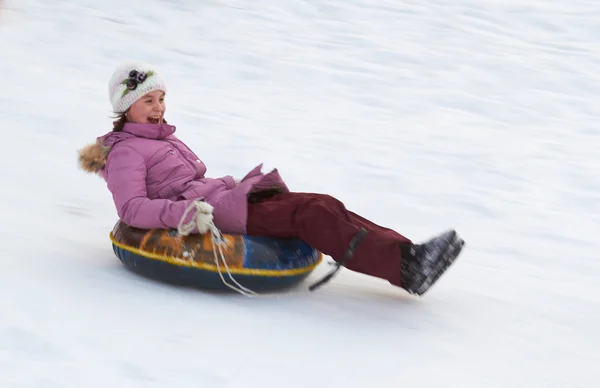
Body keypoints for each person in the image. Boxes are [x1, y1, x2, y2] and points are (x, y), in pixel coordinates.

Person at [78, 61, 465, 296]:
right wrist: (183, 215)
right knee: (312, 214)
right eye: (148, 101)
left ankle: (408, 253)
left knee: (322, 203)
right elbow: (131, 208)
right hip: (207, 214)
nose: (159, 108)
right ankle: (407, 269)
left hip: (222, 197)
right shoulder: (126, 151)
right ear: (126, 107)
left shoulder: (160, 137)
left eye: (161, 98)